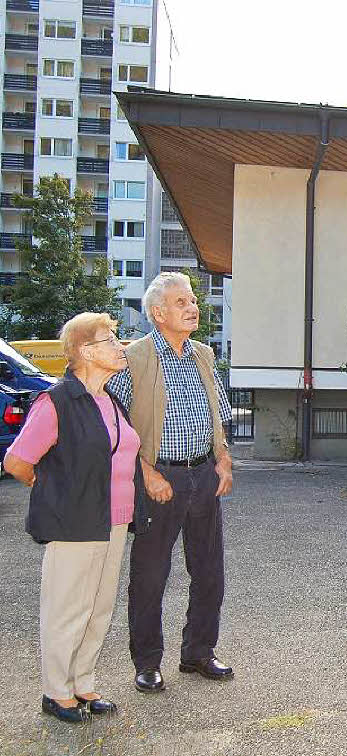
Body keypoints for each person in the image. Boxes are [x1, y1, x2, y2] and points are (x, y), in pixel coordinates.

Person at [4, 313, 149, 723]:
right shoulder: (58, 400)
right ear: (85, 350)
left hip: (114, 520)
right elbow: (17, 461)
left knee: (99, 607)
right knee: (67, 607)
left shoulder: (110, 399)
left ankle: (82, 683)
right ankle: (56, 691)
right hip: (75, 521)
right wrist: (52, 488)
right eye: (111, 339)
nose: (120, 346)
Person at [107, 272, 234, 693]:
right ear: (158, 313)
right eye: (181, 302)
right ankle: (147, 662)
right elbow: (116, 424)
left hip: (204, 474)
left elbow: (218, 410)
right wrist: (146, 473)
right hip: (160, 478)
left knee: (210, 572)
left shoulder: (203, 354)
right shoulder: (136, 357)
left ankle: (198, 652)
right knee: (150, 576)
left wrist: (223, 458)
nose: (193, 307)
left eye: (193, 299)